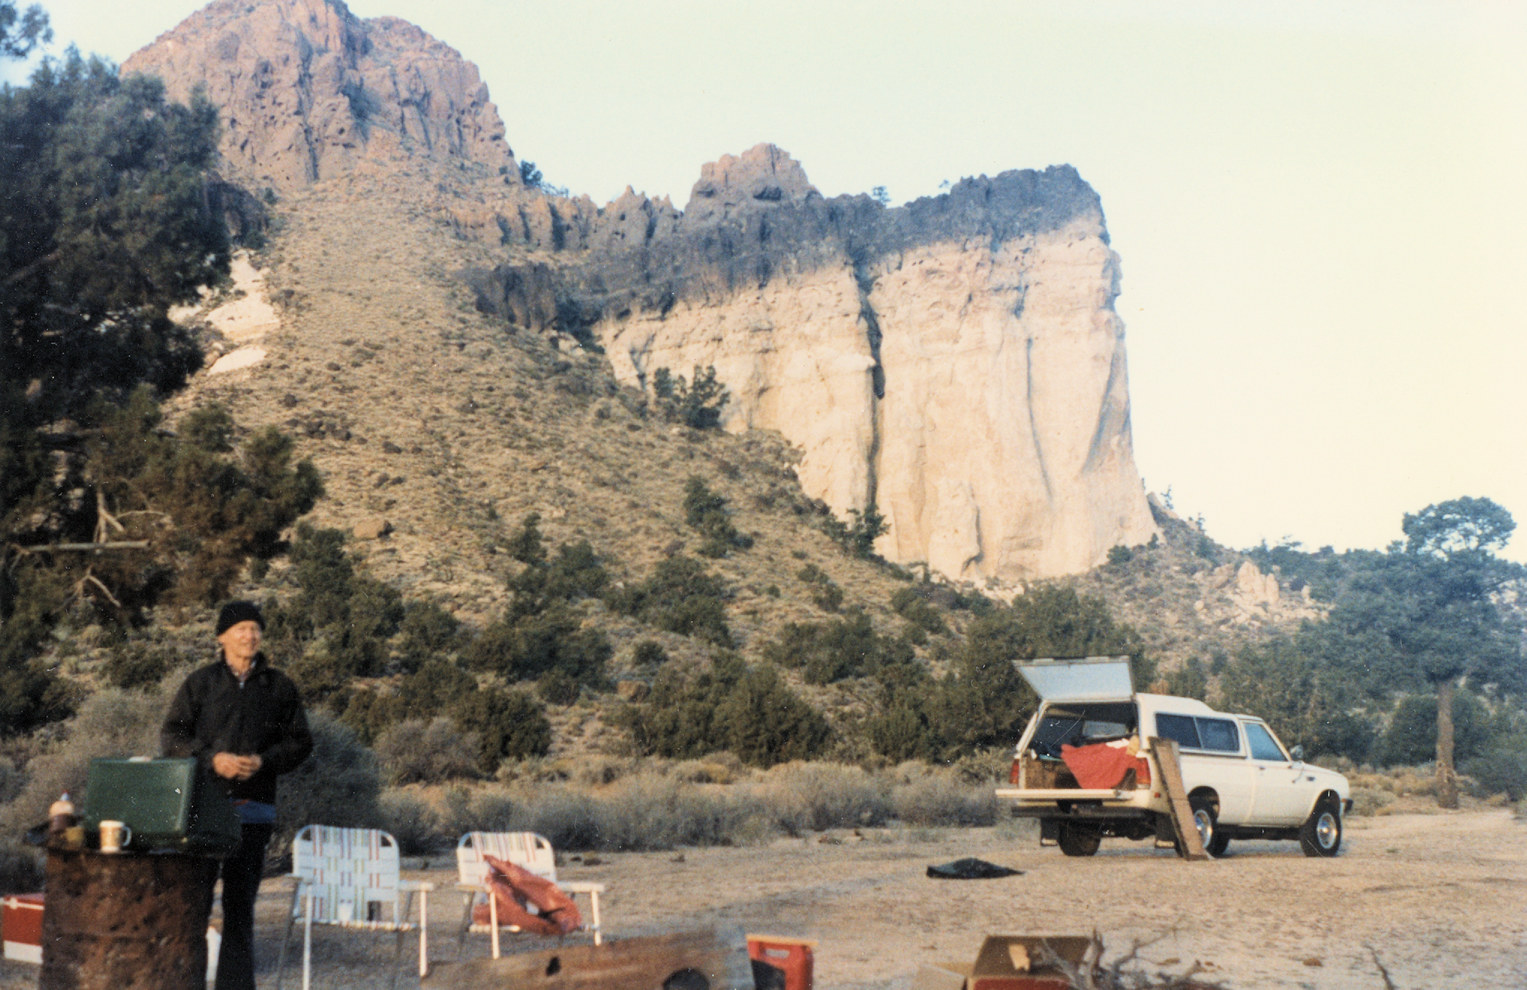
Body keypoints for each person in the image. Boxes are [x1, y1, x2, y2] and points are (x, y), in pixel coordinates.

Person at [162, 600, 313, 990]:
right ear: (222, 637)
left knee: (240, 910)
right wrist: (213, 760)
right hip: (203, 811)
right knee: (193, 904)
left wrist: (264, 761)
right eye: (241, 628)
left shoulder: (279, 687)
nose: (250, 635)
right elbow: (172, 737)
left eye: (255, 629)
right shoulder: (201, 683)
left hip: (255, 810)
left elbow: (300, 742)